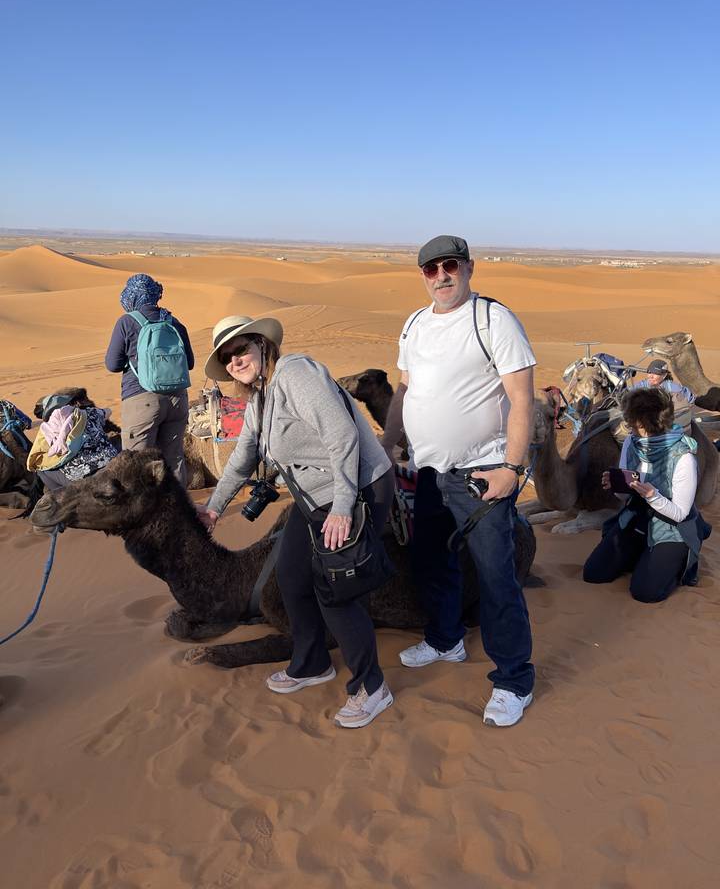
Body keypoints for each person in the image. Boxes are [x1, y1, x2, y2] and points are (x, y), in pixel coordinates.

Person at [197, 314, 395, 729]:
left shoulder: (295, 374)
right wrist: (213, 507)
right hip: (312, 500)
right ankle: (311, 664)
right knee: (289, 575)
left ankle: (372, 687)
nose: (236, 360)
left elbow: (342, 434)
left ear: (262, 345)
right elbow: (242, 458)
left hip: (356, 490)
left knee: (334, 591)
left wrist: (342, 506)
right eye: (227, 356)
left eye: (241, 348)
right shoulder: (260, 399)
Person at [381, 235, 536, 727]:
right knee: (432, 562)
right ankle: (445, 640)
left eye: (450, 266)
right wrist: (390, 441)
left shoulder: (493, 319)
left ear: (469, 267)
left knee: (495, 578)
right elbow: (404, 387)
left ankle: (514, 679)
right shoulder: (414, 324)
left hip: (482, 473)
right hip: (428, 471)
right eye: (431, 269)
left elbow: (522, 398)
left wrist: (512, 468)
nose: (441, 276)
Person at [583, 387, 710, 602]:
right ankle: (643, 556)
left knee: (645, 593)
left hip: (671, 527)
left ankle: (675, 562)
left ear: (650, 425)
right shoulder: (632, 444)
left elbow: (679, 513)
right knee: (594, 573)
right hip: (637, 518)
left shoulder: (683, 457)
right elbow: (625, 496)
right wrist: (617, 486)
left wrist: (652, 495)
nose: (630, 429)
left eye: (636, 425)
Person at [105, 274, 194, 484]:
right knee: (174, 459)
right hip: (177, 400)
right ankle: (178, 512)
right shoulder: (174, 322)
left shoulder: (126, 322)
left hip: (141, 399)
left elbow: (112, 364)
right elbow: (189, 363)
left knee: (136, 464)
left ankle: (140, 515)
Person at [30, 393, 119, 490]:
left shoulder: (48, 427)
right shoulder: (91, 412)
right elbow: (108, 411)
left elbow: (40, 453)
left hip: (85, 474)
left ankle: (61, 495)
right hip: (110, 462)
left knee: (41, 469)